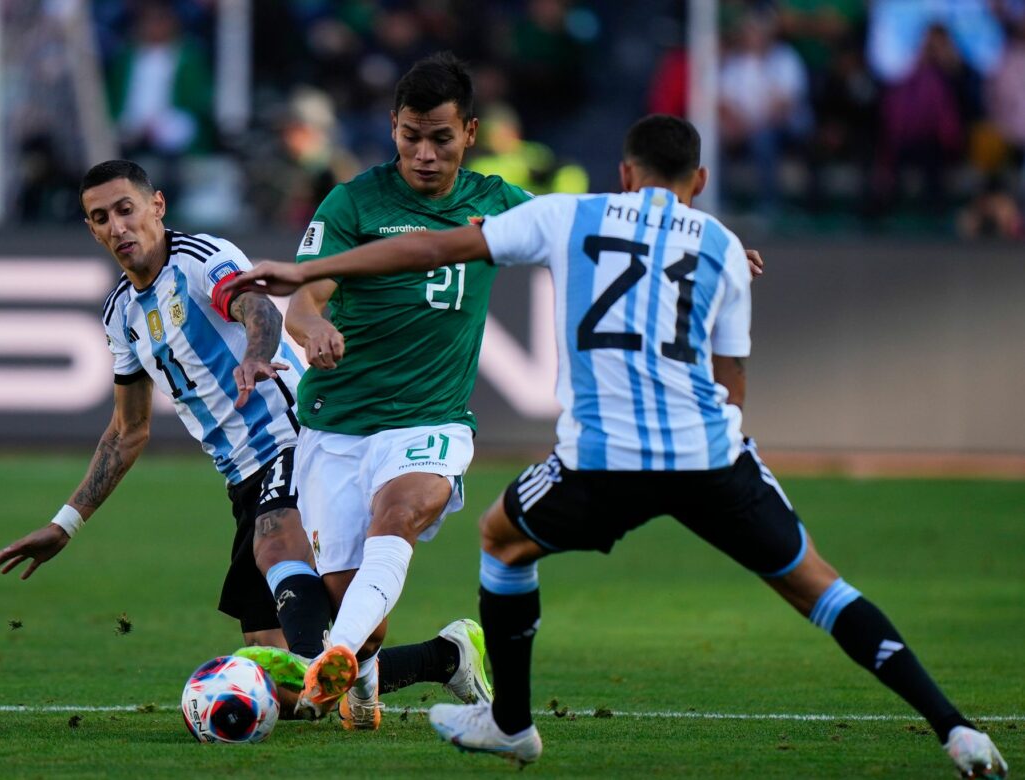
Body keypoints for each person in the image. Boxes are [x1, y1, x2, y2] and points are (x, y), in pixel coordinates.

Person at [223, 115, 1008, 778]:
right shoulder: (725, 247)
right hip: (711, 459)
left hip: (603, 461)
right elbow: (731, 385)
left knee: (500, 537)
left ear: (626, 174)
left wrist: (306, 270)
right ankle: (955, 728)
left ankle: (513, 723)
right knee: (822, 590)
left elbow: (432, 250)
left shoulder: (572, 215)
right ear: (698, 181)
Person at [0, 160, 490, 720]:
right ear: (91, 230)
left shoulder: (201, 259)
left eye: (126, 209)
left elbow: (255, 309)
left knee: (275, 545)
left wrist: (254, 356)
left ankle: (350, 673)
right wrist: (64, 524)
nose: (117, 227)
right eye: (100, 218)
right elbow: (128, 431)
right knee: (290, 686)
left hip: (292, 438)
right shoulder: (121, 314)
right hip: (241, 479)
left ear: (157, 205)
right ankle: (446, 657)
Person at [264, 52, 533, 731]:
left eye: (440, 137)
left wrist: (717, 251)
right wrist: (314, 326)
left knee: (401, 514)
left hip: (430, 419)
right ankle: (442, 653)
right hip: (338, 422)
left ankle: (336, 658)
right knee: (356, 599)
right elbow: (300, 301)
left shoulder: (499, 204)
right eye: (410, 135)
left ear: (469, 132)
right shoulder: (354, 201)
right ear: (392, 128)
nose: (423, 153)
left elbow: (598, 235)